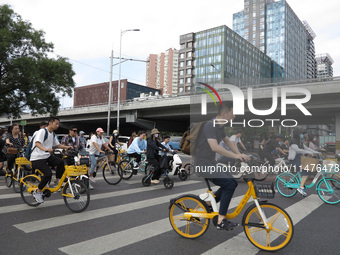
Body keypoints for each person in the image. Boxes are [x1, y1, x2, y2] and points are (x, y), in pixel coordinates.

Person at [194, 102, 250, 231]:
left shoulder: (220, 127)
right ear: (224, 114)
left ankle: (208, 203)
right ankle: (220, 220)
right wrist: (235, 156)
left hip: (210, 163)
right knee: (229, 184)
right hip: (202, 164)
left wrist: (240, 154)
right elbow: (215, 147)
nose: (234, 116)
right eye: (232, 113)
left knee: (233, 182)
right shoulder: (210, 126)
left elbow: (228, 142)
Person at [30, 117, 73, 203]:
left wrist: (66, 147)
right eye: (56, 123)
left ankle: (58, 180)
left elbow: (57, 145)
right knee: (48, 174)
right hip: (37, 158)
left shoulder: (52, 133)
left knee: (61, 162)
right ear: (50, 123)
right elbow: (37, 143)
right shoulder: (42, 131)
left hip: (46, 156)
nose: (57, 125)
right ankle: (38, 192)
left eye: (58, 124)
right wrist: (46, 149)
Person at [288, 128, 320, 196]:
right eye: (301, 133)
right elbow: (297, 150)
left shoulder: (300, 141)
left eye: (302, 134)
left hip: (300, 158)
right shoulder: (293, 141)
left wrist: (317, 152)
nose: (302, 135)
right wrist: (308, 152)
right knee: (305, 170)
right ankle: (301, 187)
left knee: (307, 169)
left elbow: (307, 148)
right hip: (294, 159)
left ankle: (298, 181)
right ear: (297, 134)